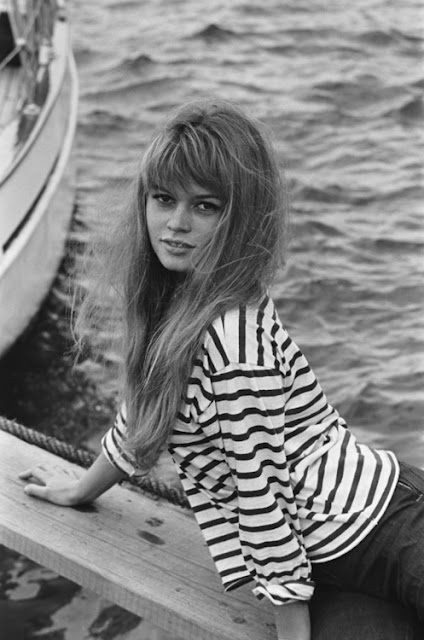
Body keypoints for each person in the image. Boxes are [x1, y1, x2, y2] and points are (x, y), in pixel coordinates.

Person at [19, 100, 424, 639]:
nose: (177, 225)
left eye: (205, 206)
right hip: (329, 556)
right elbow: (144, 415)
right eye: (164, 199)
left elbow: (260, 489)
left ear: (241, 217)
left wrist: (291, 630)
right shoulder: (176, 300)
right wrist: (80, 489)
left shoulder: (231, 342)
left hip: (384, 533)